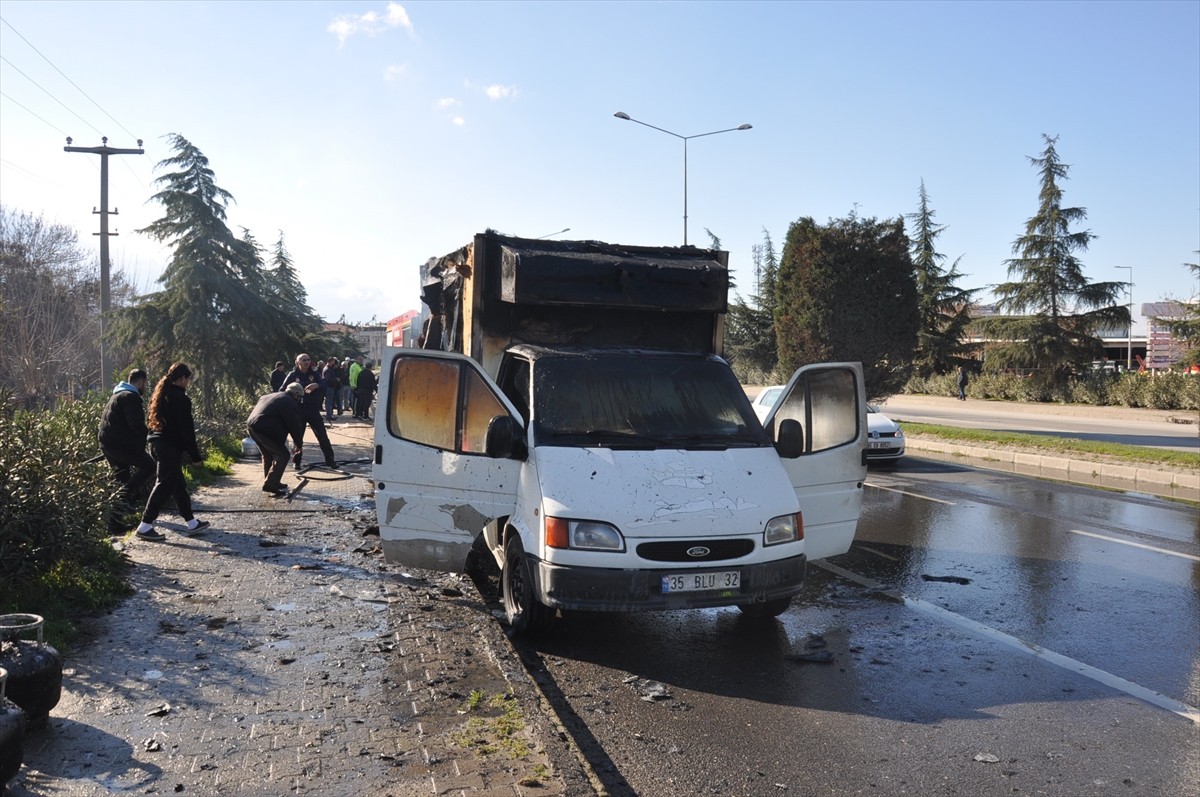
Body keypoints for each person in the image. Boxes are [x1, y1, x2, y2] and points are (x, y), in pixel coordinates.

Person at [133, 363, 210, 542]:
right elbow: (187, 430)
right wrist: (195, 456)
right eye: (188, 379)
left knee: (177, 484)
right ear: (182, 379)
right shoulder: (181, 399)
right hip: (169, 447)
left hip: (156, 443)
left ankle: (191, 522)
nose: (188, 383)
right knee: (165, 484)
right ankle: (145, 525)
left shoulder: (161, 395)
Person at [98, 368, 155, 533]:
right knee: (149, 466)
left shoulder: (117, 394)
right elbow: (136, 425)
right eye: (145, 383)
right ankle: (127, 499)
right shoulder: (131, 397)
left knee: (122, 479)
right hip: (120, 445)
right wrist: (151, 436)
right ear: (141, 382)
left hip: (108, 444)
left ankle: (114, 523)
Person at [247, 382, 306, 496]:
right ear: (296, 395)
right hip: (264, 429)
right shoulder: (288, 402)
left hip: (252, 426)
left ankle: (272, 480)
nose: (299, 400)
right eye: (299, 398)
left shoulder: (273, 396)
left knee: (268, 455)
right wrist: (299, 444)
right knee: (283, 455)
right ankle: (270, 484)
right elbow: (293, 425)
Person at [281, 353, 338, 470]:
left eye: (308, 360)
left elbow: (324, 386)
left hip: (312, 409)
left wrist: (316, 385)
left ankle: (330, 460)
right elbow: (282, 390)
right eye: (303, 360)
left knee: (322, 436)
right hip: (298, 410)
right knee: (298, 437)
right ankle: (297, 461)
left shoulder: (314, 373)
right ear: (298, 363)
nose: (307, 362)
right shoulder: (292, 375)